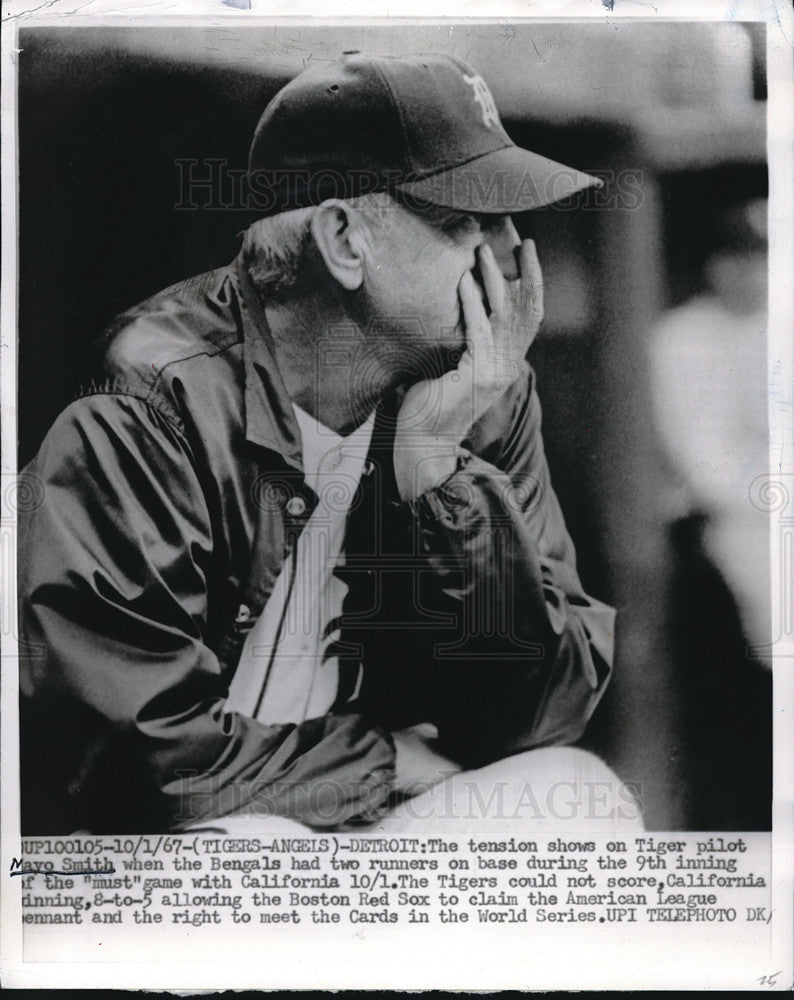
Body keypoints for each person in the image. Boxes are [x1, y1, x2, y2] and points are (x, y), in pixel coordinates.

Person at [19, 51, 621, 835]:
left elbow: (541, 715)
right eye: (467, 219)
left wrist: (441, 478)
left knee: (575, 797)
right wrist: (383, 760)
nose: (510, 253)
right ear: (344, 240)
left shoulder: (479, 390)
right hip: (164, 847)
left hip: (340, 808)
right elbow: (139, 760)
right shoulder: (152, 399)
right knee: (253, 847)